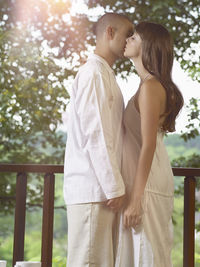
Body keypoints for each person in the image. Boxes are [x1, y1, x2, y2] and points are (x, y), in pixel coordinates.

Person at [63, 13, 134, 267]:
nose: (131, 40)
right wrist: (114, 186)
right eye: (128, 33)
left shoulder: (105, 74)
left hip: (101, 189)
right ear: (110, 32)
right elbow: (97, 133)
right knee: (89, 262)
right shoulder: (93, 73)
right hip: (94, 189)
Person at [115, 22, 184, 267]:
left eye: (133, 37)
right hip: (145, 180)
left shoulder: (151, 87)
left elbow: (148, 145)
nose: (127, 39)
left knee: (149, 254)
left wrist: (136, 199)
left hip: (148, 184)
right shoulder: (147, 85)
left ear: (147, 46)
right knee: (141, 254)